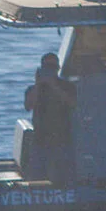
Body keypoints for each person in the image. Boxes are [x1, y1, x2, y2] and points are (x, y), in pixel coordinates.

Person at [23, 52, 76, 184]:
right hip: (40, 139)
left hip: (62, 140)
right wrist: (38, 84)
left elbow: (72, 103)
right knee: (36, 177)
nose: (50, 70)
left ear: (58, 68)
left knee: (61, 178)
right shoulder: (33, 89)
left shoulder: (67, 86)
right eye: (47, 67)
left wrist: (53, 85)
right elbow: (28, 106)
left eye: (53, 67)